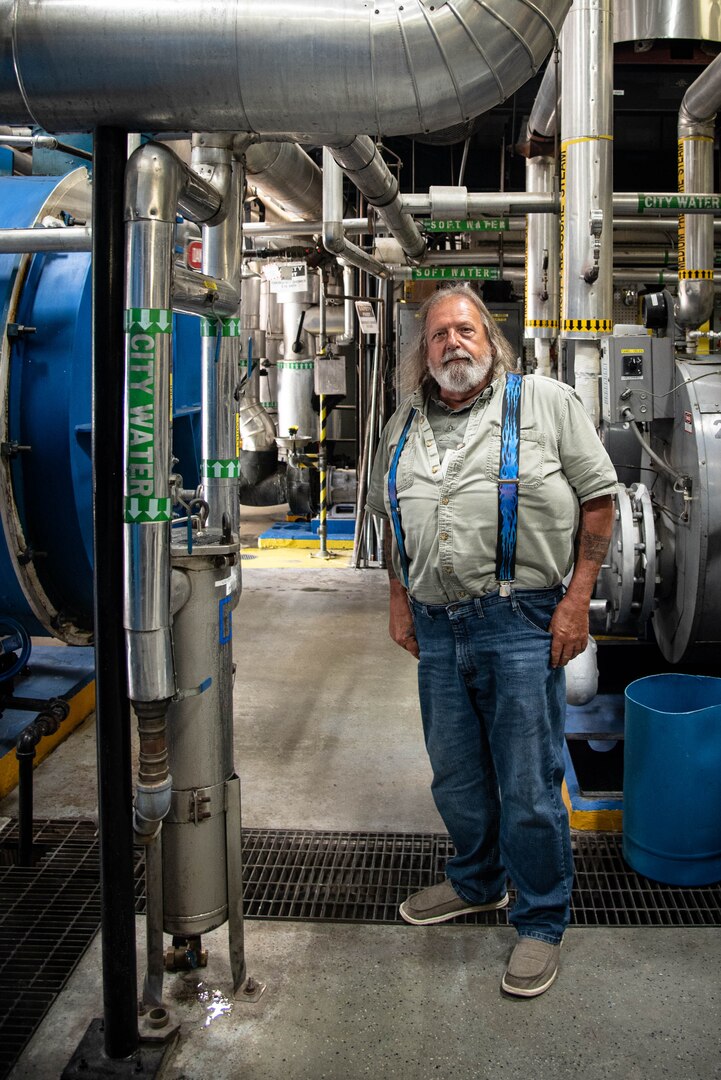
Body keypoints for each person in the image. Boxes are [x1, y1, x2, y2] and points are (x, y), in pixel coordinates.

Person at [366, 285, 617, 998]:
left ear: (490, 340)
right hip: (438, 626)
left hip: (520, 622)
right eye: (439, 332)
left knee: (529, 784)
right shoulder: (405, 418)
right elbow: (395, 517)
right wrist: (398, 599)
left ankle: (540, 921)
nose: (453, 342)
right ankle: (476, 881)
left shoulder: (544, 403)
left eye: (465, 329)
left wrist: (575, 602)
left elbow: (599, 497)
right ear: (424, 349)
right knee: (455, 774)